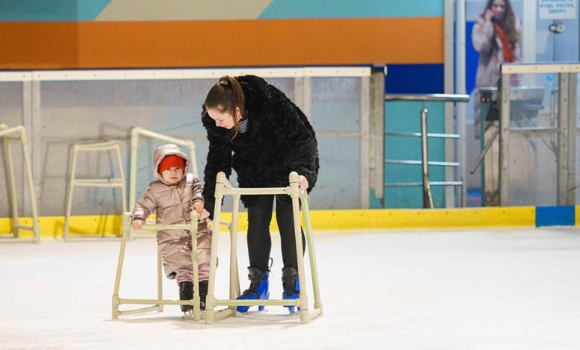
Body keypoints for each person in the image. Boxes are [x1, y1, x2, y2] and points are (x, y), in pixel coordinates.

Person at [201, 75, 319, 313]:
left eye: (221, 119)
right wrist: (210, 202)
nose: (217, 124)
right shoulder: (215, 123)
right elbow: (218, 160)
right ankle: (258, 285)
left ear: (236, 110)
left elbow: (303, 138)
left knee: (288, 219)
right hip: (254, 168)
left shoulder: (270, 103)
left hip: (289, 165)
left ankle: (292, 284)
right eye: (212, 118)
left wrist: (304, 172)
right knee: (256, 219)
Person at [130, 144, 212, 314]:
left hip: (199, 231)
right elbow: (144, 205)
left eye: (177, 168)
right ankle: (187, 297)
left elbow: (198, 191)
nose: (174, 172)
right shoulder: (155, 189)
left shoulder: (191, 181)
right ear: (160, 171)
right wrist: (138, 217)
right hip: (172, 236)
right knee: (182, 265)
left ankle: (204, 297)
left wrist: (198, 202)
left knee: (204, 260)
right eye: (168, 169)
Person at [472, 0, 521, 139]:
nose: (499, 9)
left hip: (509, 84)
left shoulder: (513, 25)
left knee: (508, 131)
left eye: (502, 6)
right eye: (495, 6)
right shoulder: (480, 25)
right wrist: (488, 25)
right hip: (489, 83)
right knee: (489, 131)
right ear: (490, 7)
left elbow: (517, 56)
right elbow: (482, 47)